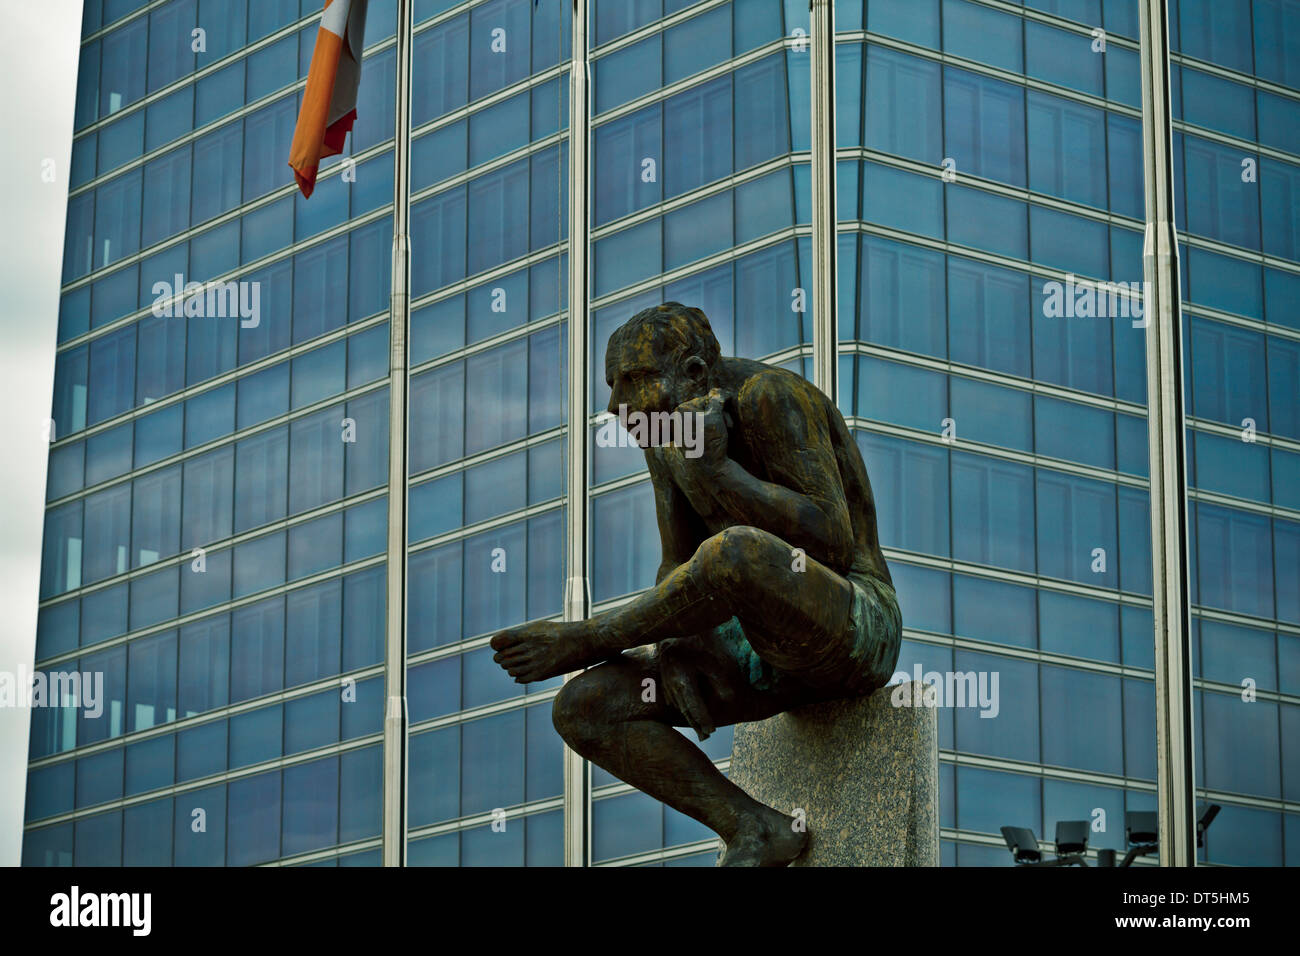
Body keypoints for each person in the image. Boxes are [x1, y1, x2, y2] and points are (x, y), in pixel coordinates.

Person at [490, 302, 901, 866]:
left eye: (633, 381)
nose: (615, 407)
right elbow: (676, 566)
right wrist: (677, 648)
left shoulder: (770, 398)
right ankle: (754, 828)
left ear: (694, 376)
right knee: (584, 705)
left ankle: (588, 637)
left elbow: (828, 541)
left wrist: (718, 473)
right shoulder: (664, 436)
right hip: (759, 657)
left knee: (736, 551)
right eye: (613, 387)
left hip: (848, 629)